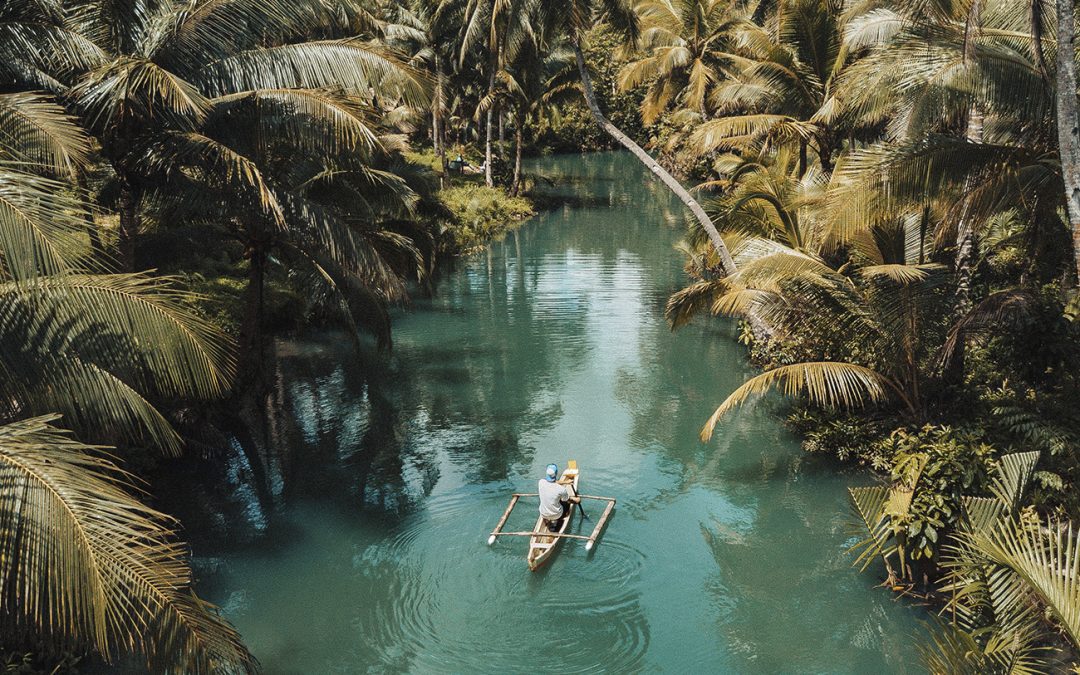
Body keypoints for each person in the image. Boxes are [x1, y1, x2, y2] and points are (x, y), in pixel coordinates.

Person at [538, 463, 580, 532]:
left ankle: (549, 521)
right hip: (557, 515)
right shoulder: (561, 489)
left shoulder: (541, 482)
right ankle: (559, 520)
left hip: (543, 513)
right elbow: (568, 500)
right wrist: (577, 500)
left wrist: (566, 482)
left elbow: (553, 482)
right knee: (566, 503)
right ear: (556, 474)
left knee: (557, 499)